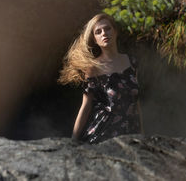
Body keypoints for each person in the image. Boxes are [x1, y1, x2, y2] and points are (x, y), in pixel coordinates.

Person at [58, 13, 143, 144]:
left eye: (107, 29)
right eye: (98, 32)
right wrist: (73, 141)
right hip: (103, 134)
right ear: (95, 39)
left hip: (130, 132)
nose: (104, 33)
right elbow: (86, 106)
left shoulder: (131, 62)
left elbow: (136, 102)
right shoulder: (93, 68)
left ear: (115, 31)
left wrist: (142, 135)